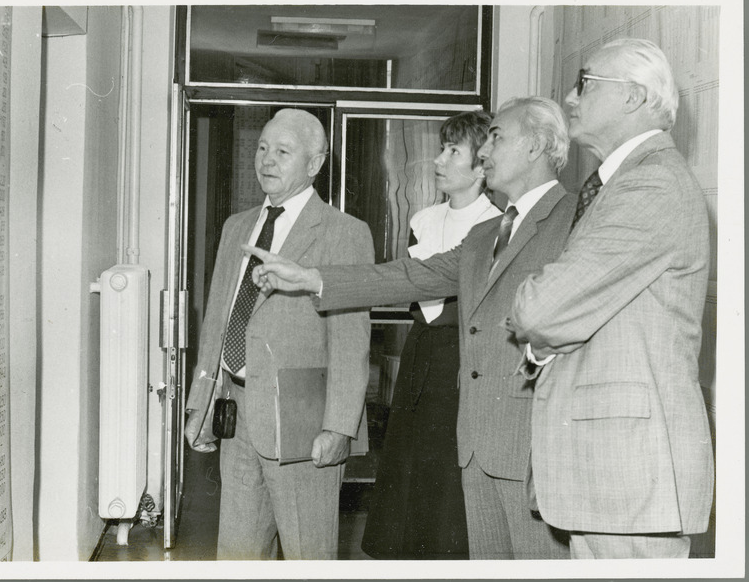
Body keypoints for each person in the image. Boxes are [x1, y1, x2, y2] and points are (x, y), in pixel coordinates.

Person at [246, 97, 575, 560]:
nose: (483, 153)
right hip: (474, 444)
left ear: (537, 146)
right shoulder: (488, 235)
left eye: (496, 138)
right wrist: (313, 278)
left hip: (530, 448)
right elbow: (408, 276)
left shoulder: (577, 218)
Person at [508, 39, 714, 559]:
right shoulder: (619, 183)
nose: (571, 99)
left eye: (585, 83)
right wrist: (547, 338)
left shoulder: (652, 185)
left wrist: (543, 332)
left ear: (632, 97)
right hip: (613, 474)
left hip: (630, 473)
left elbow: (539, 309)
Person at [183, 108, 374, 560]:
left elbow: (351, 341)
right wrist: (201, 403)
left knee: (308, 553)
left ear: (314, 163)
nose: (267, 160)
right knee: (238, 553)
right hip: (237, 411)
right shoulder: (236, 227)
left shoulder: (344, 233)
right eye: (263, 148)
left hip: (304, 419)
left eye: (283, 152)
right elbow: (217, 322)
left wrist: (338, 426)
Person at [361, 110, 500, 560]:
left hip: (464, 361)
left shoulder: (497, 224)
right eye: (441, 148)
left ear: (481, 166)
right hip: (421, 355)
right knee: (407, 469)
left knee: (448, 479)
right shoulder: (422, 219)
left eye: (452, 151)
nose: (438, 160)